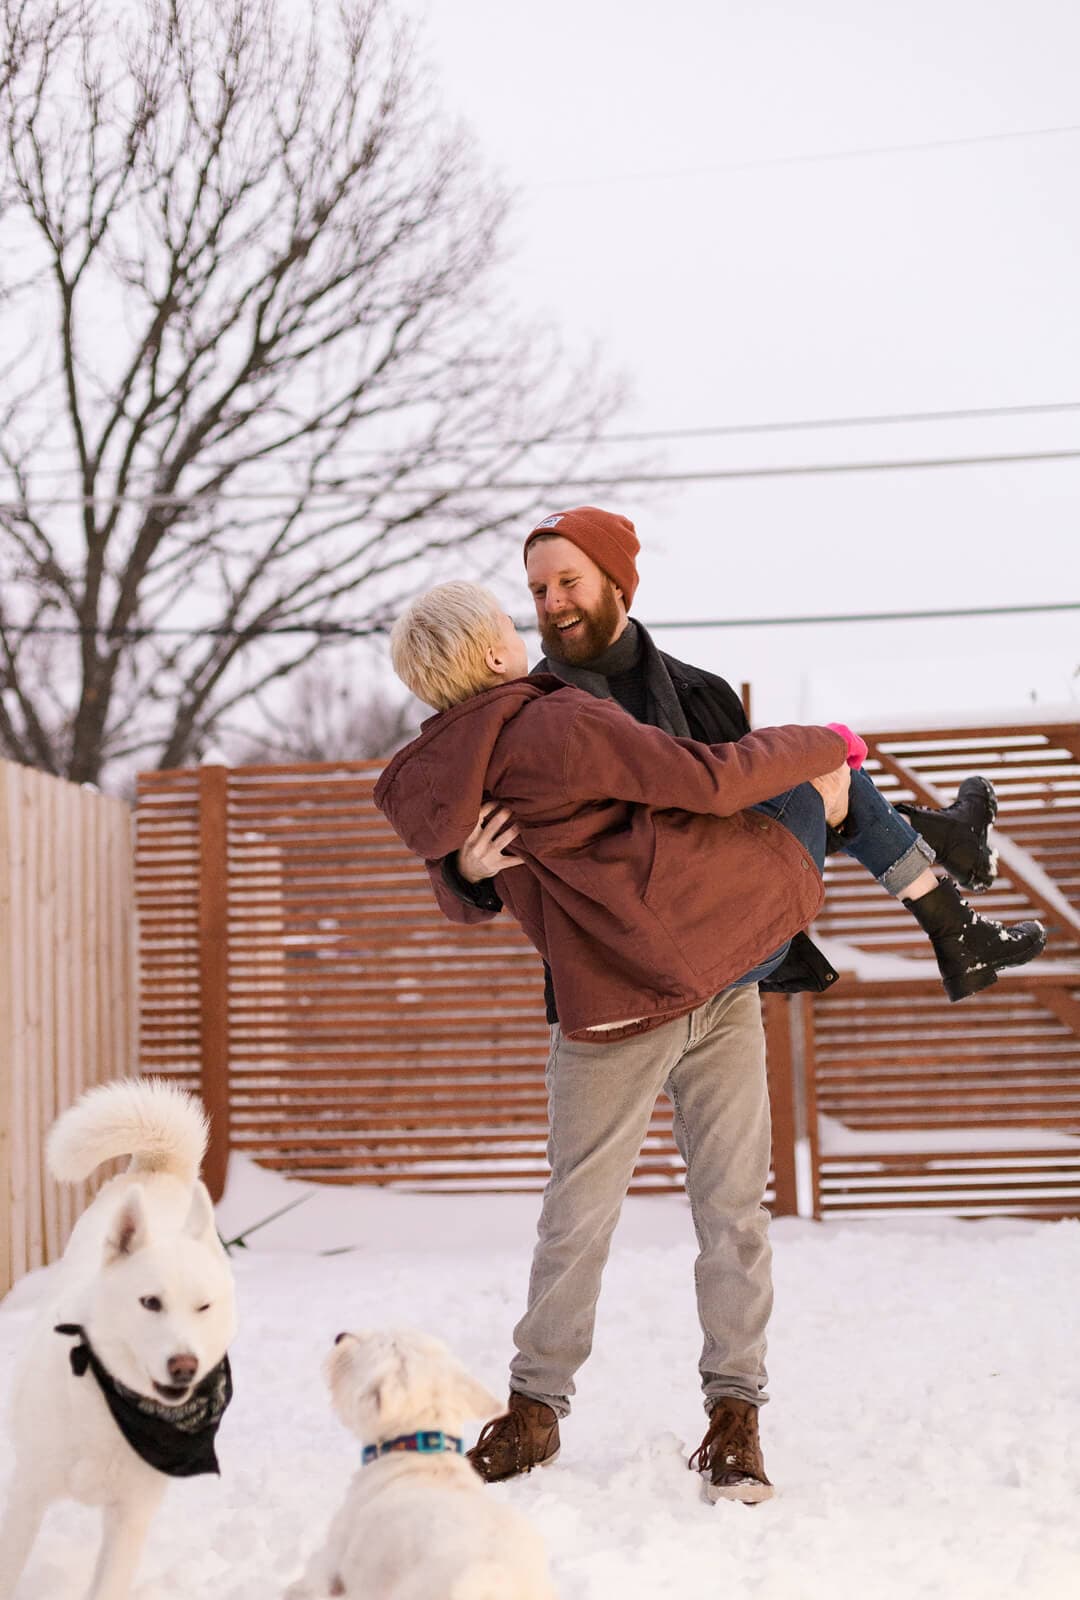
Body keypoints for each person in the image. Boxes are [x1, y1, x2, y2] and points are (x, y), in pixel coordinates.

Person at [375, 516, 1045, 1505]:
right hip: (639, 989)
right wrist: (831, 747)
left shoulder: (463, 764)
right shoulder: (552, 717)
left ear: (615, 584)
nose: (546, 607)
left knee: (718, 1212)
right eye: (531, 597)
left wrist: (467, 871)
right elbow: (712, 782)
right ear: (490, 649)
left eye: (564, 583)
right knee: (607, 1214)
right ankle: (564, 1405)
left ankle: (709, 1414)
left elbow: (485, 852)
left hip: (712, 984)